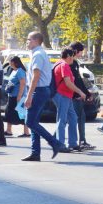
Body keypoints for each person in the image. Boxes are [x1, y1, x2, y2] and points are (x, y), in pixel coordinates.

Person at [21, 31, 68, 161]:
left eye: (28, 39)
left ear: (36, 41)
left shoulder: (37, 55)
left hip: (39, 91)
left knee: (29, 122)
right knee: (34, 122)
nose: (27, 41)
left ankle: (55, 143)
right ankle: (35, 153)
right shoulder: (38, 53)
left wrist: (29, 96)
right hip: (41, 90)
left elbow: (36, 77)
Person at [52, 48, 87, 150]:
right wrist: (80, 92)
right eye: (72, 56)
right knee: (62, 120)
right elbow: (68, 83)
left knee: (73, 118)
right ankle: (60, 144)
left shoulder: (59, 63)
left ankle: (72, 143)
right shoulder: (64, 65)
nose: (73, 58)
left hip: (66, 96)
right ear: (69, 56)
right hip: (62, 95)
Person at [68, 42, 94, 150]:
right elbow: (75, 81)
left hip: (74, 95)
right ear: (76, 51)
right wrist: (81, 94)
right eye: (81, 52)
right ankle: (80, 141)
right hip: (74, 96)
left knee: (72, 119)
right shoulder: (71, 63)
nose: (81, 54)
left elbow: (78, 81)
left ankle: (81, 141)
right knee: (74, 119)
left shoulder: (74, 63)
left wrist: (87, 93)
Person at [4, 56, 30, 138]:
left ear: (15, 62)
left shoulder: (20, 71)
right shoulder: (13, 71)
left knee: (21, 113)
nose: (9, 63)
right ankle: (8, 130)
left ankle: (26, 132)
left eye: (10, 62)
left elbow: (22, 84)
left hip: (18, 97)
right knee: (8, 112)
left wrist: (19, 96)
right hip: (11, 95)